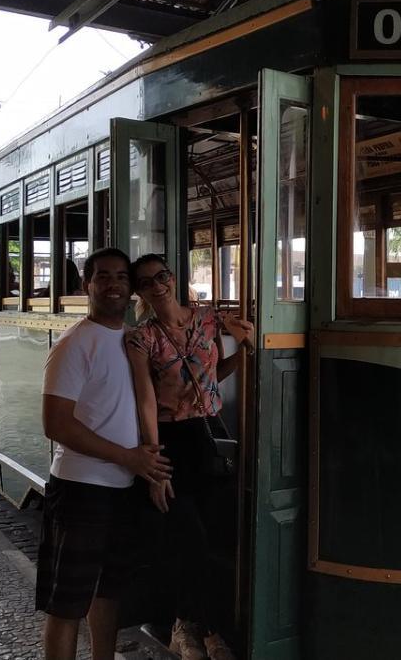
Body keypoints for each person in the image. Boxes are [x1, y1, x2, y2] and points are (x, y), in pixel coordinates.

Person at [37, 246, 173, 660]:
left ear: (132, 290)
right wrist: (127, 457)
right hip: (81, 489)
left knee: (109, 592)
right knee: (67, 605)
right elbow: (56, 424)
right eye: (103, 276)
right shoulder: (75, 344)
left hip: (122, 489)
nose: (113, 284)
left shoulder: (134, 340)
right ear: (87, 285)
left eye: (121, 277)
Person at [124, 253, 255, 660]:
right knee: (189, 539)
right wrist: (154, 462)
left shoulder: (207, 320)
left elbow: (214, 377)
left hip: (206, 433)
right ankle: (189, 628)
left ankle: (204, 629)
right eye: (146, 282)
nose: (157, 285)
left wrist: (246, 347)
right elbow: (146, 400)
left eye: (161, 276)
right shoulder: (140, 338)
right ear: (139, 291)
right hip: (169, 438)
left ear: (173, 277)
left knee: (209, 536)